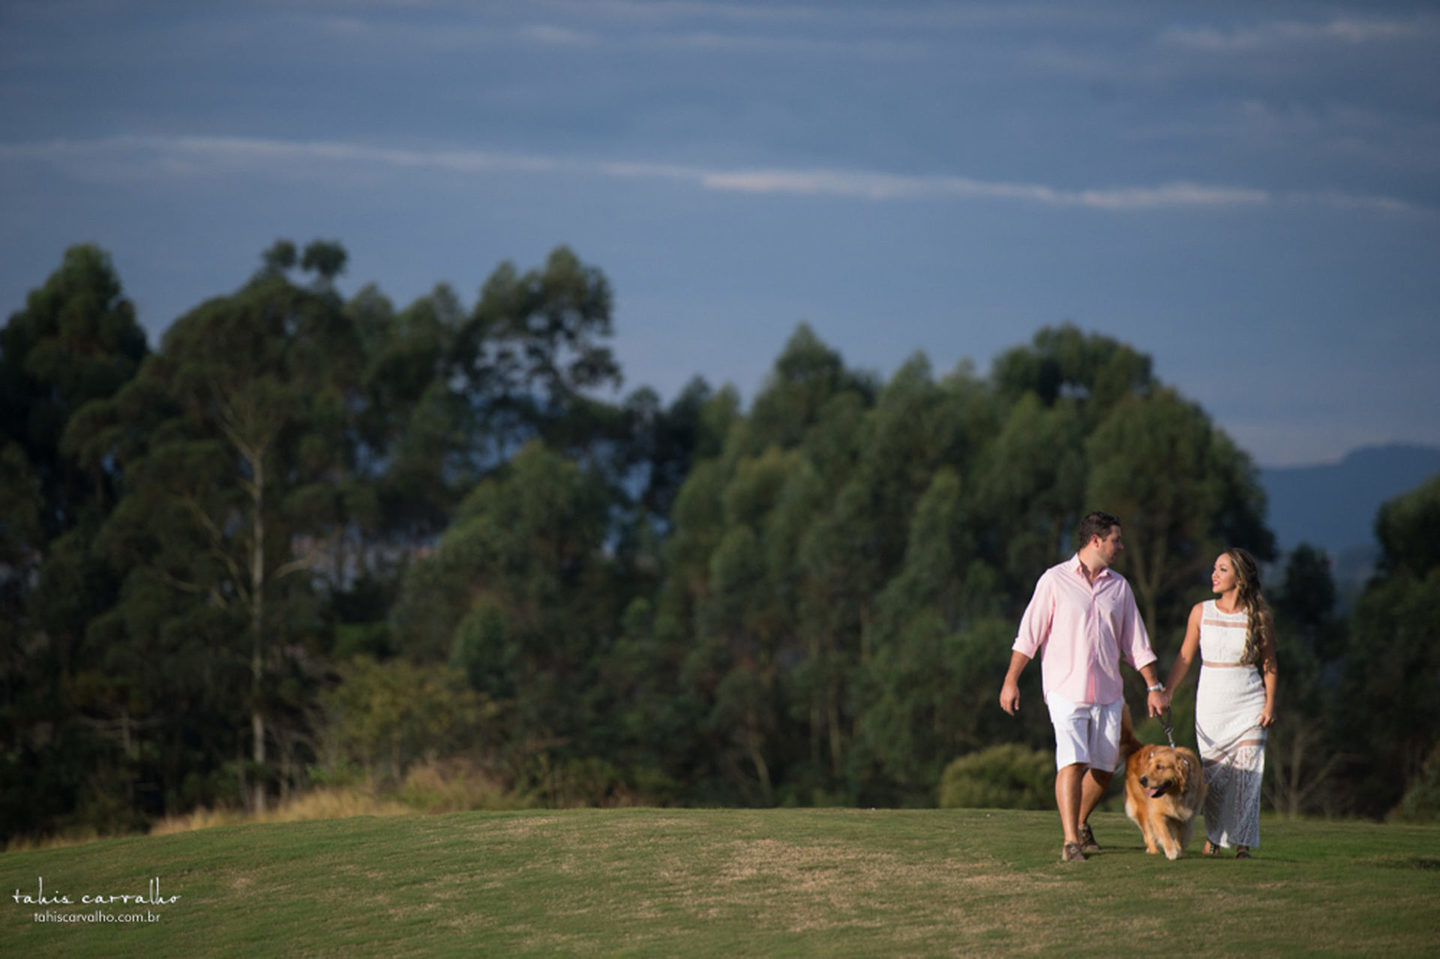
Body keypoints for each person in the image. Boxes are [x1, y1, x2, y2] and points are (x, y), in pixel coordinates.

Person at [999, 511, 1167, 863]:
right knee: (1072, 761)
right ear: (1095, 541)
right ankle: (1070, 841)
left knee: (1105, 769)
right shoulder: (1054, 581)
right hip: (1064, 689)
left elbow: (1136, 643)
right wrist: (1011, 681)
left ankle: (1078, 822)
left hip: (1108, 692)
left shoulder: (1119, 587)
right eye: (1115, 540)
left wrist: (1154, 686)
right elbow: (1028, 636)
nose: (1120, 546)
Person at [1161, 547, 1277, 859]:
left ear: (1239, 578)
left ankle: (1243, 844)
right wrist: (1166, 692)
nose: (1214, 574)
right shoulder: (1201, 612)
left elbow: (1269, 664)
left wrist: (1269, 705)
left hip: (1250, 704)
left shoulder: (1260, 617)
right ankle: (1214, 836)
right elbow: (1185, 656)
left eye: (1222, 569)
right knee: (1215, 780)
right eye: (1214, 568)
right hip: (1212, 705)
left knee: (1248, 775)